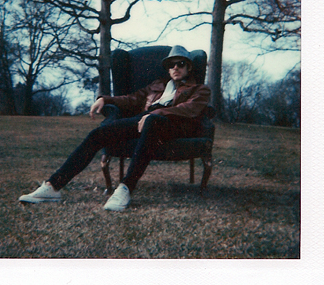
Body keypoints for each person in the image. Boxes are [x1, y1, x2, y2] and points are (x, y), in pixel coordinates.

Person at [19, 45, 211, 211]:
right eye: (171, 64)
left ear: (189, 67)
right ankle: (53, 186)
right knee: (99, 134)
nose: (175, 67)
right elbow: (132, 99)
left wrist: (156, 114)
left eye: (181, 64)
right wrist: (105, 98)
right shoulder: (158, 85)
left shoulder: (200, 89)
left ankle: (125, 189)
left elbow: (190, 109)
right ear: (167, 69)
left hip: (172, 125)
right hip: (145, 120)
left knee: (150, 121)